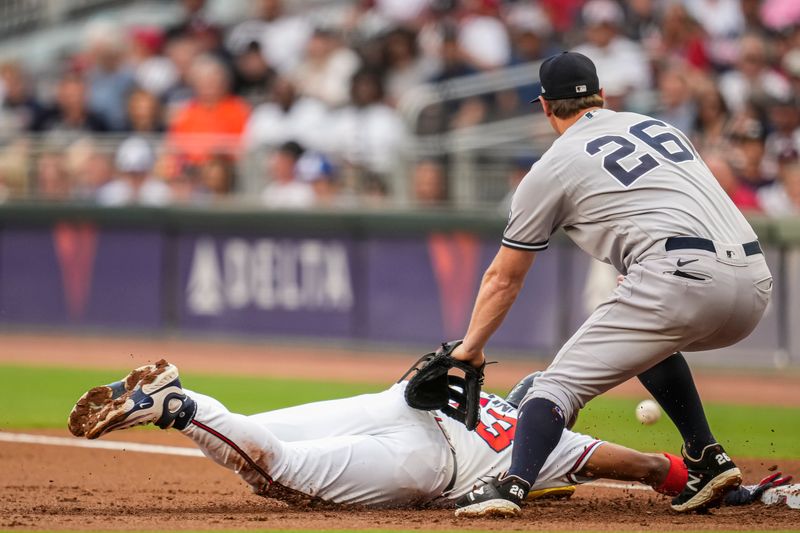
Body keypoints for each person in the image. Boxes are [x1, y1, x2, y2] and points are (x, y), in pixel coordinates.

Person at [447, 52, 773, 517]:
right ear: (600, 94)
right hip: (755, 282)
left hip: (680, 280)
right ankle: (705, 455)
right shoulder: (660, 127)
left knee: (553, 388)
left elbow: (503, 276)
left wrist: (470, 348)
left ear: (544, 106)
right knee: (648, 344)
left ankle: (511, 486)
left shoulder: (553, 165)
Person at [67, 361, 790, 508]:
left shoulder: (501, 402)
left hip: (396, 407)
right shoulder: (550, 442)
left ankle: (181, 395)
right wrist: (728, 488)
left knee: (259, 436)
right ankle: (180, 406)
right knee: (274, 470)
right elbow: (643, 465)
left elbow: (434, 370)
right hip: (422, 457)